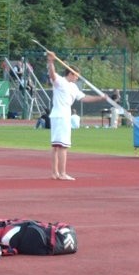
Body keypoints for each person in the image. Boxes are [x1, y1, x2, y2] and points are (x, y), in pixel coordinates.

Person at [46, 51, 107, 180]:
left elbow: (84, 98)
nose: (77, 78)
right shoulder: (60, 82)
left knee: (57, 146)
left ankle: (55, 173)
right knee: (62, 146)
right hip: (60, 116)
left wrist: (100, 98)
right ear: (70, 73)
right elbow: (52, 75)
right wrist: (51, 61)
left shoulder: (73, 87)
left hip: (61, 116)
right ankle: (61, 173)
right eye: (76, 75)